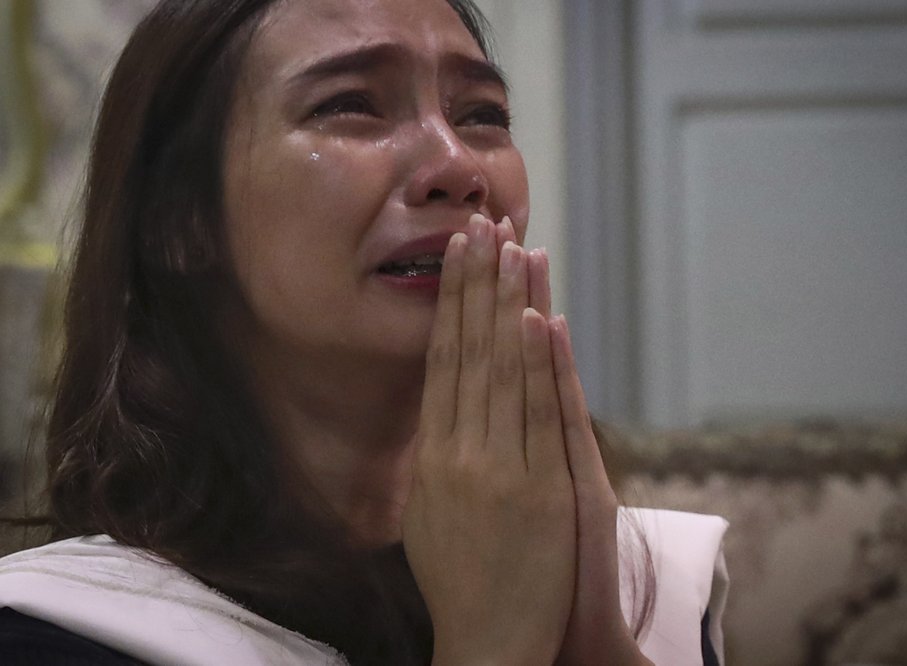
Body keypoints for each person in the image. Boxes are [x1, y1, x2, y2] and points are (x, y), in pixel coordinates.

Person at [0, 0, 727, 664]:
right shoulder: (65, 628)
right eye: (350, 105)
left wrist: (594, 638)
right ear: (180, 220)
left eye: (482, 114)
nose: (458, 167)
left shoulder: (652, 588)